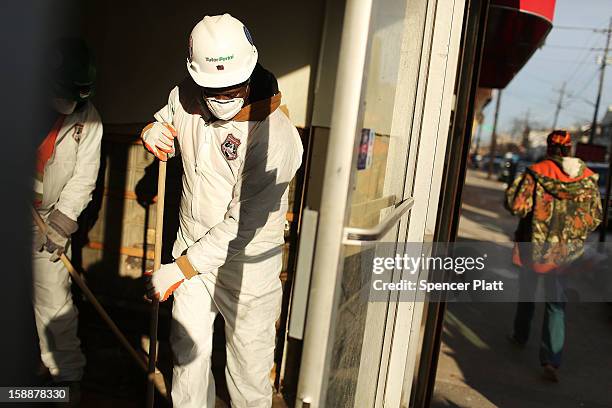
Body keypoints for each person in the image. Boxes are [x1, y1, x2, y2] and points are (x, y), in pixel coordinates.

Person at [141, 14, 303, 407]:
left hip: (248, 265)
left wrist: (178, 270)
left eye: (233, 87)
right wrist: (152, 130)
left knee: (248, 371)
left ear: (250, 70)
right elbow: (168, 117)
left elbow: (240, 226)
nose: (224, 97)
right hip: (191, 250)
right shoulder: (186, 96)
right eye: (214, 89)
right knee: (187, 358)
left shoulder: (273, 136)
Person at [33, 38, 103, 393]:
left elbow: (84, 175)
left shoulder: (88, 118)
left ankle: (66, 377)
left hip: (48, 221)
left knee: (55, 302)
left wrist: (62, 222)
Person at [504, 130, 602, 382]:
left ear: (549, 147)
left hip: (534, 247)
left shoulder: (536, 172)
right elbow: (595, 217)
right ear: (570, 149)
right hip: (564, 253)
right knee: (556, 303)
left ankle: (520, 335)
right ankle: (551, 361)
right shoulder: (588, 178)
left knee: (527, 293)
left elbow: (517, 206)